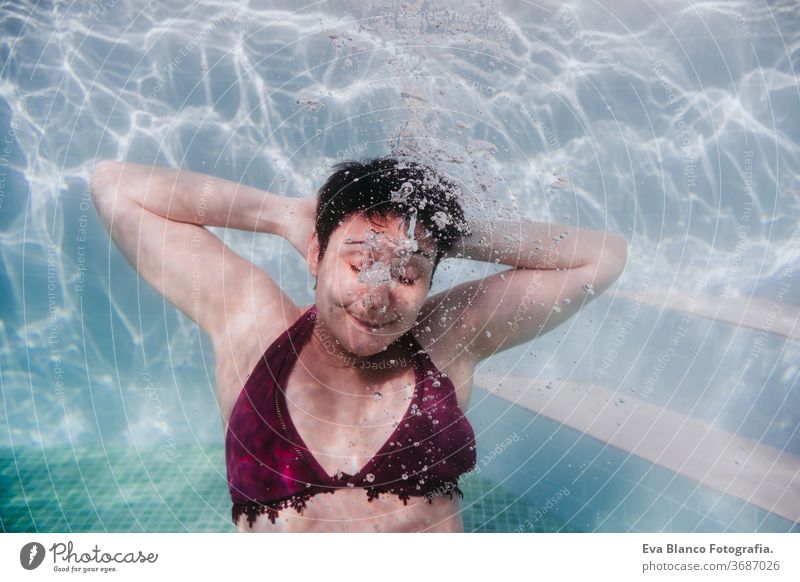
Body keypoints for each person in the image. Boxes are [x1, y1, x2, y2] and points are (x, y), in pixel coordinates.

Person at [90, 156, 627, 532]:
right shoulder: (252, 325)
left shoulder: (446, 337)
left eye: (408, 273)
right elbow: (114, 185)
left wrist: (444, 231)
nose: (377, 297)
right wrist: (283, 215)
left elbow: (602, 256)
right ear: (314, 256)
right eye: (358, 262)